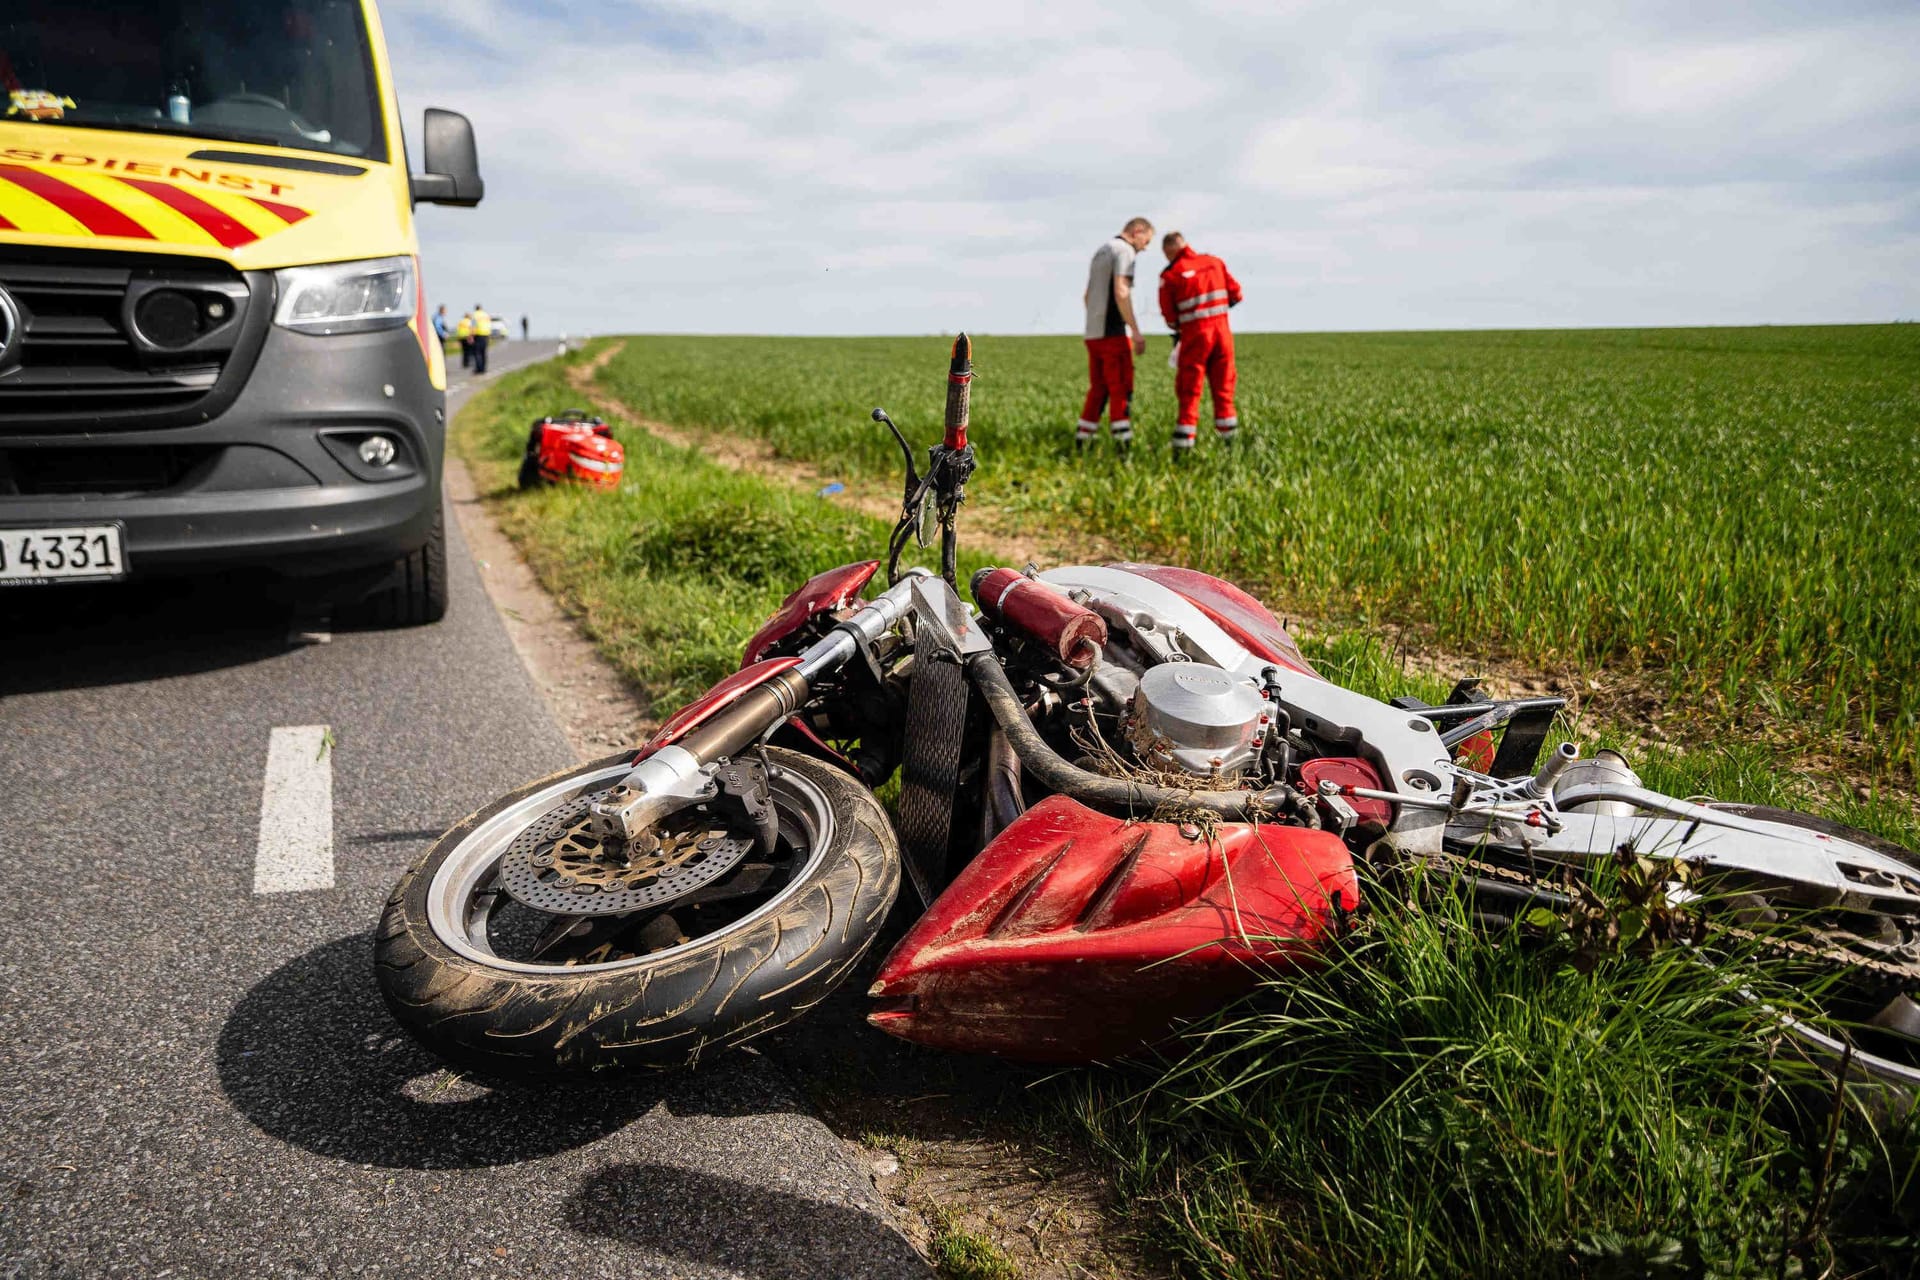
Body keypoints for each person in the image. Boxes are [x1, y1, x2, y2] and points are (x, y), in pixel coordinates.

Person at [1157, 231, 1243, 456]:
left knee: (1189, 391)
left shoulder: (1170, 275)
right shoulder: (1215, 263)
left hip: (1195, 337)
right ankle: (1230, 446)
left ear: (1169, 251)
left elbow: (1170, 317)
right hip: (1223, 336)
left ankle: (1184, 449)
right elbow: (1236, 294)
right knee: (1224, 390)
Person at [1075, 216, 1154, 453]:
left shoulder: (1102, 250)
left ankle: (1083, 442)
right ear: (1137, 231)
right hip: (1113, 334)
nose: (1145, 247)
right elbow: (1121, 291)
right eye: (1146, 240)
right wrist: (1136, 331)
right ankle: (1123, 449)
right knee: (1121, 389)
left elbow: (1087, 296)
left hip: (1092, 334)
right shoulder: (1124, 251)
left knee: (1098, 389)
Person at [471, 303, 492, 374]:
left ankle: (478, 369)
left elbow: (473, 326)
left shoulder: (475, 315)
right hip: (486, 335)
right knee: (483, 352)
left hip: (478, 335)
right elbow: (489, 324)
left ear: (476, 308)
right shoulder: (486, 314)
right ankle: (483, 369)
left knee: (477, 353)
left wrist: (471, 336)